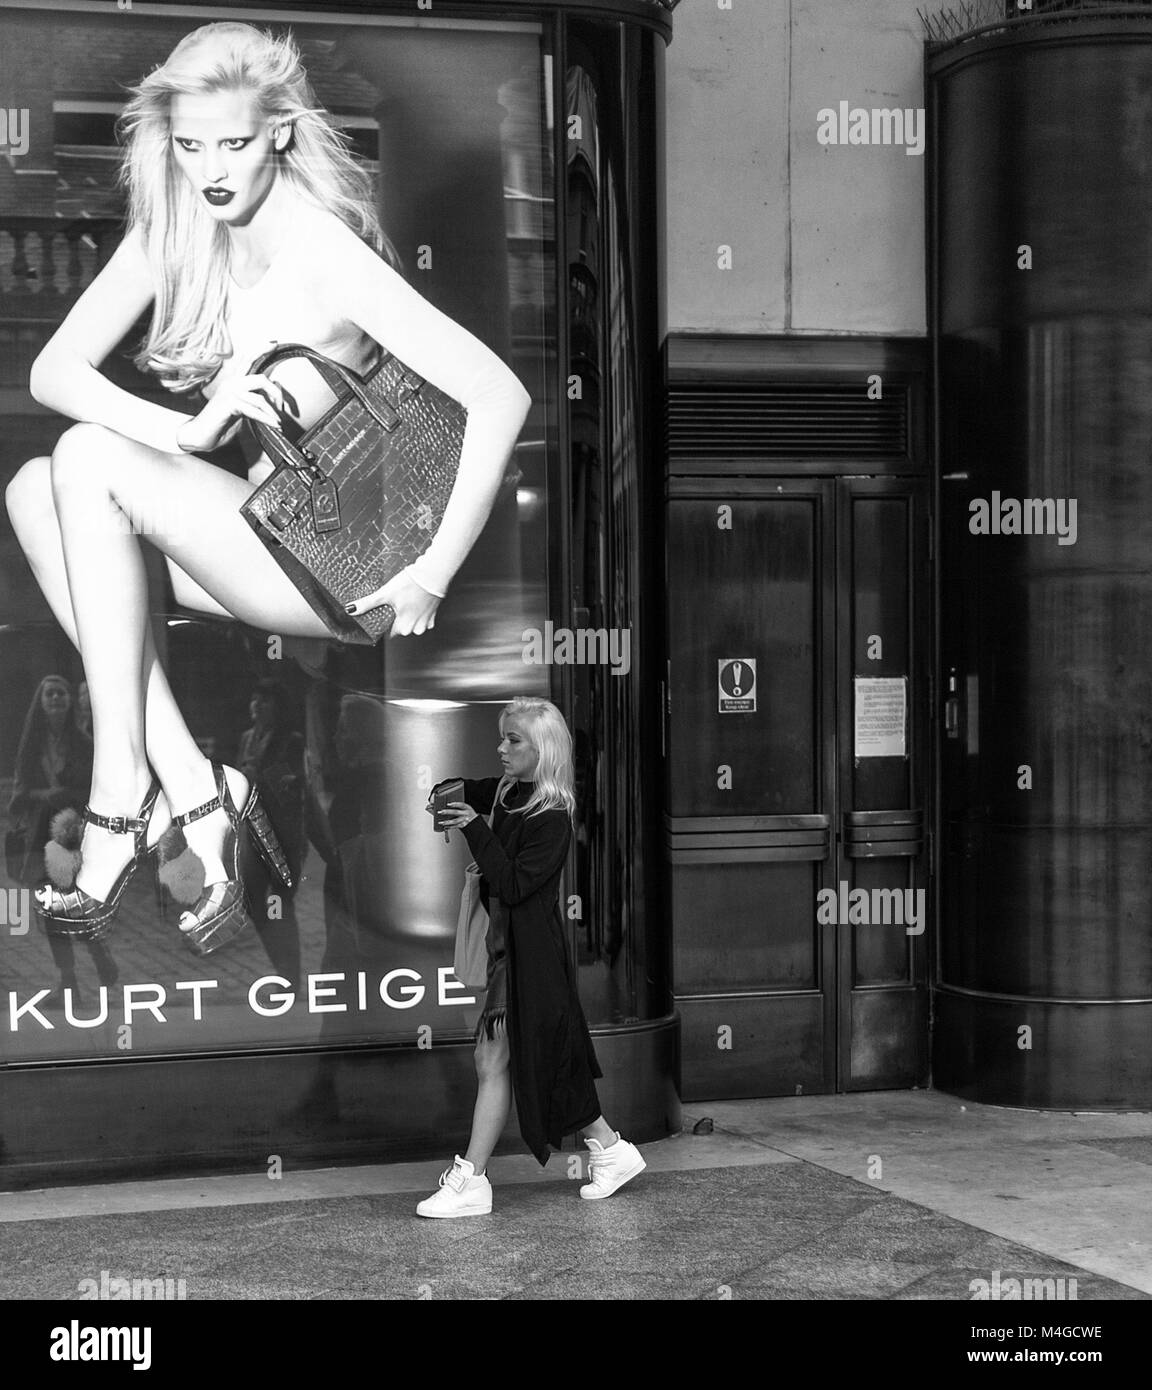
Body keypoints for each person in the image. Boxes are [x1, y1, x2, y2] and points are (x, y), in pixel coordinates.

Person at [4, 22, 531, 949]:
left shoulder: (322, 251)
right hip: (258, 539)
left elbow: (499, 393)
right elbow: (53, 373)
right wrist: (190, 430)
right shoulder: (179, 228)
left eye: (235, 143)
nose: (212, 166)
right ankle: (199, 789)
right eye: (191, 142)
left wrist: (433, 572)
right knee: (33, 488)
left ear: (281, 132)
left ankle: (125, 791)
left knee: (86, 459)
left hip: (335, 560)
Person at [418, 696, 645, 1217]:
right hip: (509, 953)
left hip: (532, 958)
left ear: (541, 749)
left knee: (507, 1059)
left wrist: (474, 827)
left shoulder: (554, 818)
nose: (501, 748)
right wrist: (444, 793)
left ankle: (474, 1179)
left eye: (513, 740)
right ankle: (609, 1150)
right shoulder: (507, 790)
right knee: (536, 1060)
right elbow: (468, 792)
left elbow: (515, 884)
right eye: (502, 737)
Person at [6, 675, 118, 1003]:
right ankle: (69, 982)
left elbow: (96, 790)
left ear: (69, 701)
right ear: (41, 703)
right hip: (39, 838)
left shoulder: (83, 744)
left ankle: (99, 955)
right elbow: (20, 793)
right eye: (50, 694)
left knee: (75, 905)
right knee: (48, 911)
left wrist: (65, 794)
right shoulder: (30, 746)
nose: (56, 699)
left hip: (72, 837)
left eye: (61, 693)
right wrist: (45, 795)